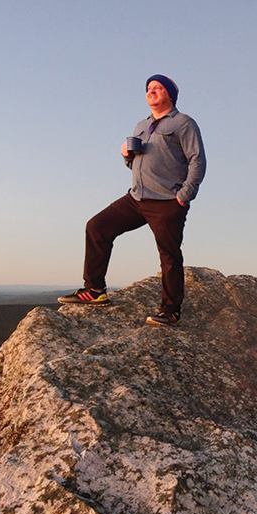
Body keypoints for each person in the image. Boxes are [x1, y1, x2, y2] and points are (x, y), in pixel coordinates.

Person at [58, 75, 207, 327]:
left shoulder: (183, 123)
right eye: (149, 88)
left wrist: (184, 196)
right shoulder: (141, 125)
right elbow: (136, 164)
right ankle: (95, 291)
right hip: (136, 197)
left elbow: (197, 160)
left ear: (170, 95)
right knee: (97, 227)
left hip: (166, 201)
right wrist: (126, 156)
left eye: (158, 88)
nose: (152, 91)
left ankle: (171, 311)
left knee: (169, 256)